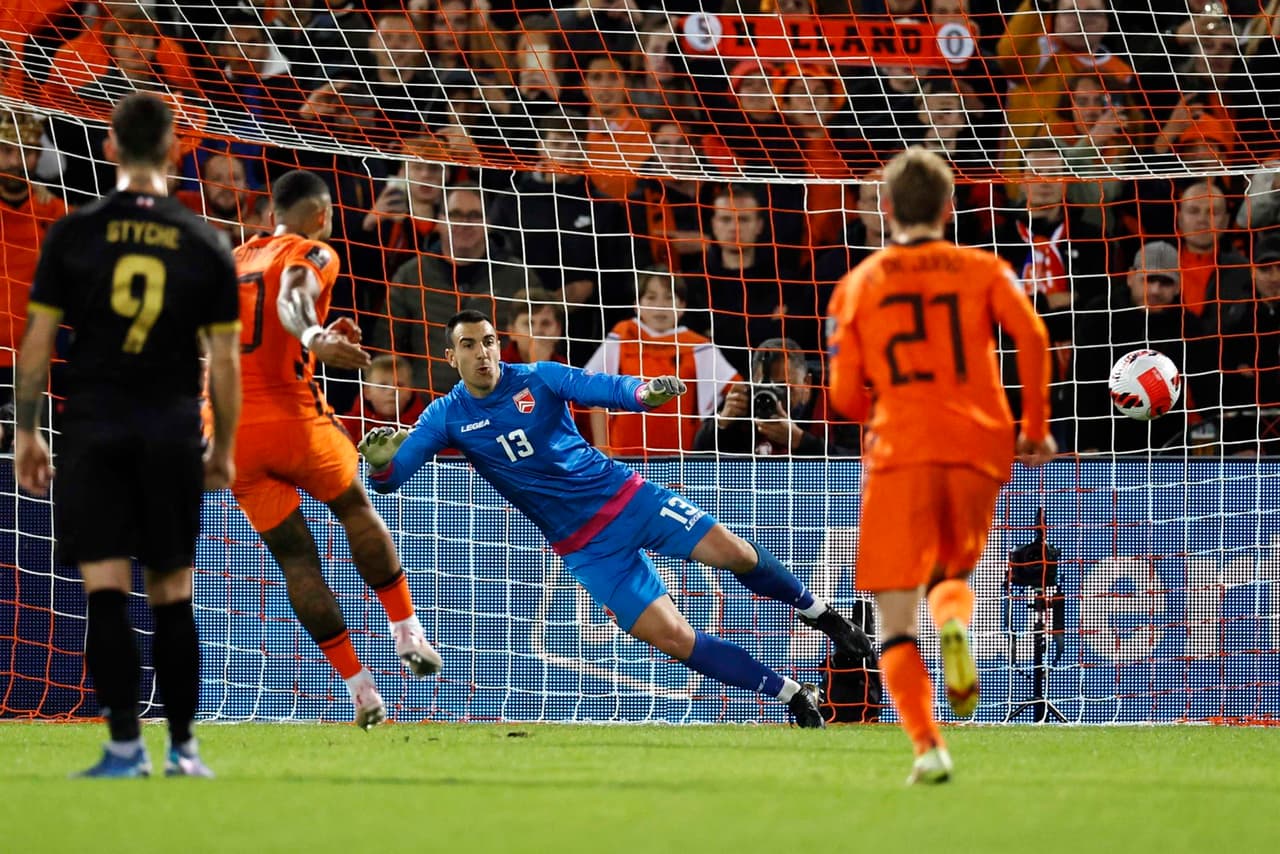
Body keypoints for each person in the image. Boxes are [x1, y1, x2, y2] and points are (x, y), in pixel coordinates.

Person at [358, 310, 877, 727]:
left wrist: (643, 393)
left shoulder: (538, 377)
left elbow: (602, 388)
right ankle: (789, 694)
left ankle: (826, 619)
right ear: (451, 357)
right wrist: (379, 465)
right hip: (586, 549)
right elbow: (395, 478)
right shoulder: (445, 416)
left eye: (489, 340)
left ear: (499, 346)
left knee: (735, 553)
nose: (482, 352)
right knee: (675, 640)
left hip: (627, 497)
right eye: (469, 345)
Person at [13, 93, 242, 778]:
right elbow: (223, 360)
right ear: (176, 150)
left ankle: (121, 748)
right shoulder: (206, 241)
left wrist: (29, 431)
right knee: (172, 590)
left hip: (94, 423)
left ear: (109, 148)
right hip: (172, 426)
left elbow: (37, 342)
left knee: (105, 588)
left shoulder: (73, 232)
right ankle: (184, 749)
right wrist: (223, 446)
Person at [827, 147, 1055, 784]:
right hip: (979, 443)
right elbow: (1034, 338)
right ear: (950, 208)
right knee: (953, 568)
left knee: (893, 616)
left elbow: (844, 398)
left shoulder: (859, 285)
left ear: (888, 208)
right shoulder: (983, 269)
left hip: (902, 447)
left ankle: (928, 747)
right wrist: (1032, 429)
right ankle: (954, 622)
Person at [228, 169, 441, 730]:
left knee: (296, 559)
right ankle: (407, 634)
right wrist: (315, 337)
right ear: (321, 213)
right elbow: (295, 295)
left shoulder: (236, 259)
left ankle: (361, 691)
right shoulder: (311, 250)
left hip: (230, 430)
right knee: (354, 507)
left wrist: (320, 331)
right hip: (290, 416)